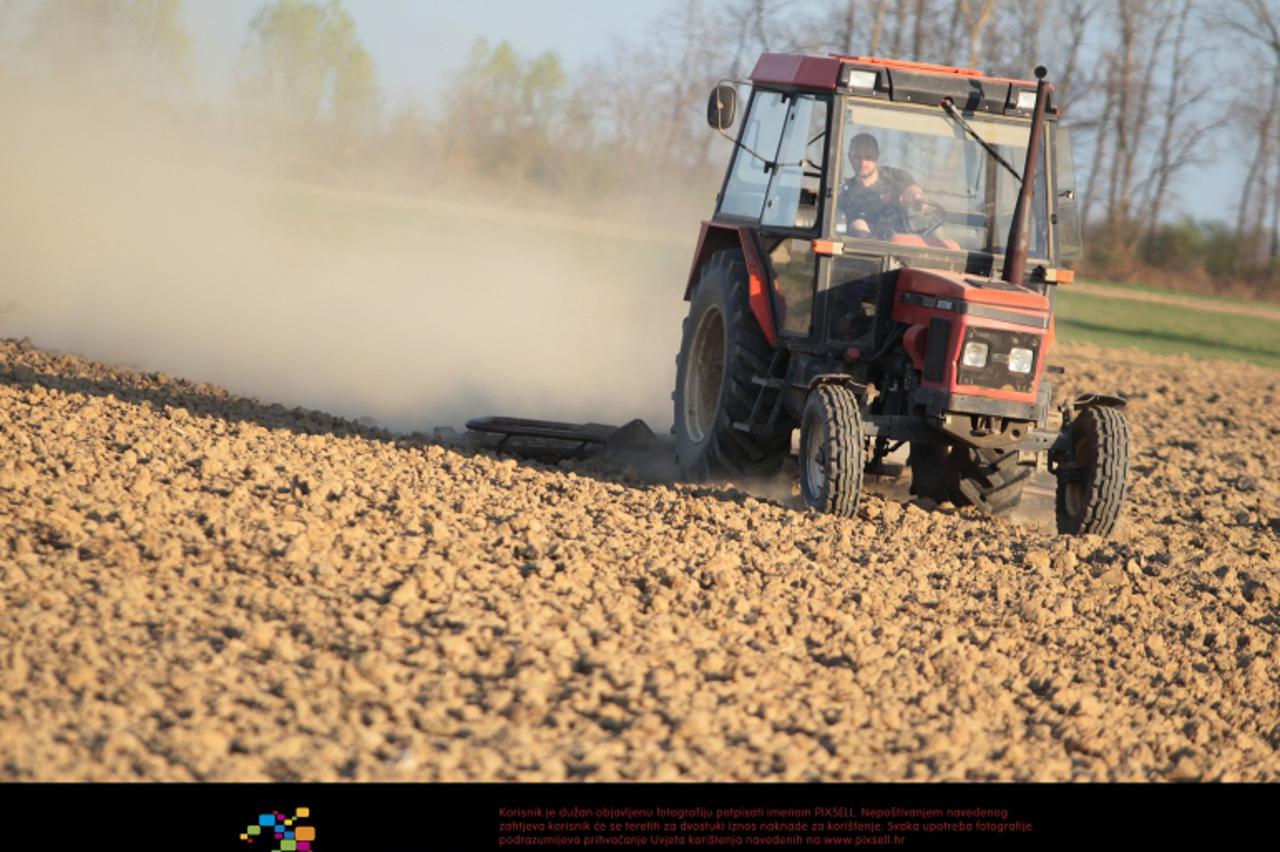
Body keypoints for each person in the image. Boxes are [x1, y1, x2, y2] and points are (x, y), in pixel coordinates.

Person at [838, 132, 925, 238]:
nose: (863, 163)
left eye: (868, 157)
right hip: (863, 249)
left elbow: (919, 197)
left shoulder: (896, 177)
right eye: (857, 157)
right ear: (850, 158)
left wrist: (914, 195)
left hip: (903, 244)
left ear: (877, 157)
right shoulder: (845, 192)